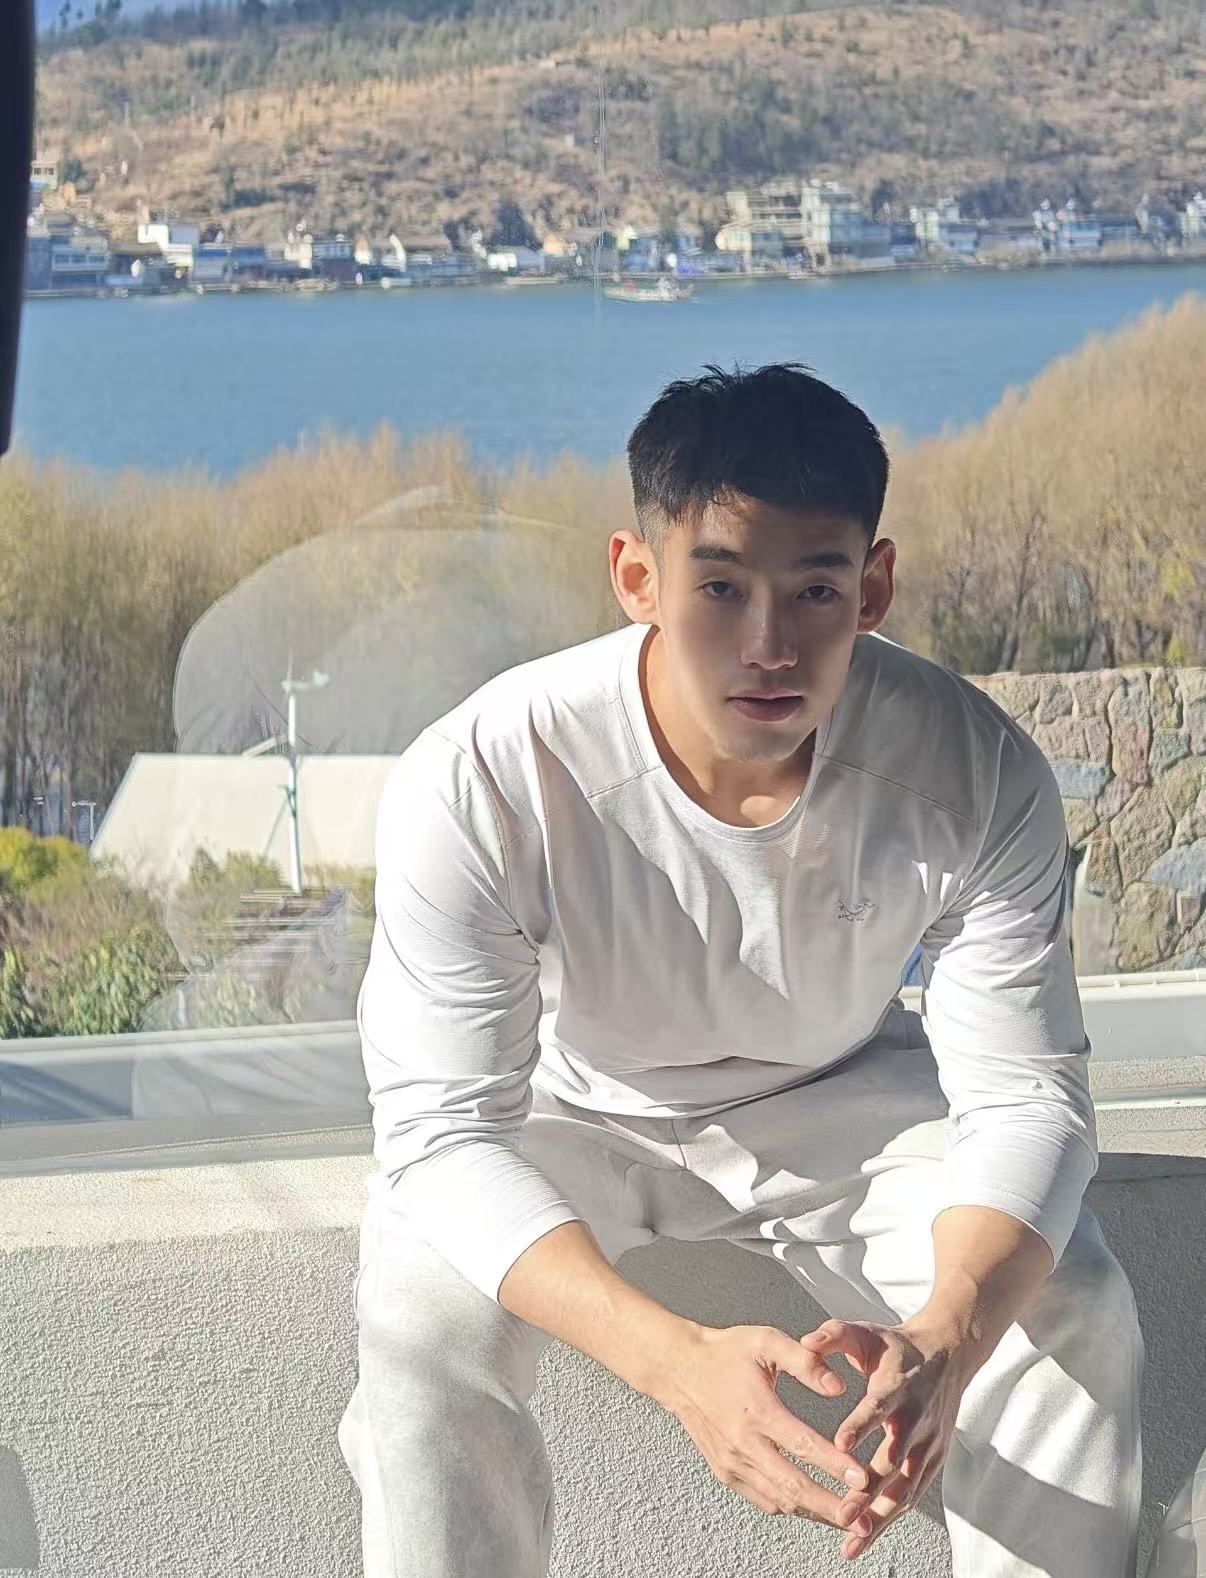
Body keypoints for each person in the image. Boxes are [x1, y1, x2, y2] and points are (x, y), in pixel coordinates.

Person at [337, 362, 1144, 1577]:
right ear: (637, 579)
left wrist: (949, 1334)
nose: (771, 646)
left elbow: (1028, 1094)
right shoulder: (487, 773)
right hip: (577, 1104)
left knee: (1068, 1299)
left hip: (842, 1099)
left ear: (873, 587)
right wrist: (677, 1365)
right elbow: (440, 1132)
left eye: (815, 589)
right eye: (720, 586)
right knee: (419, 1312)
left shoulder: (971, 769)